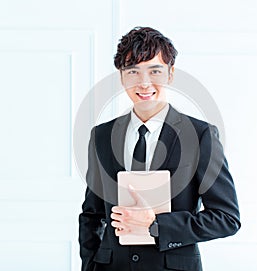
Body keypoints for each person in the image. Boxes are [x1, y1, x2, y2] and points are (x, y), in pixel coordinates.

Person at [79, 26, 241, 271]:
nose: (144, 83)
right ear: (122, 76)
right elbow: (92, 215)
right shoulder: (102, 135)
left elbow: (226, 219)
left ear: (170, 74)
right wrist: (90, 266)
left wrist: (156, 223)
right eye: (133, 71)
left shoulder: (200, 136)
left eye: (155, 71)